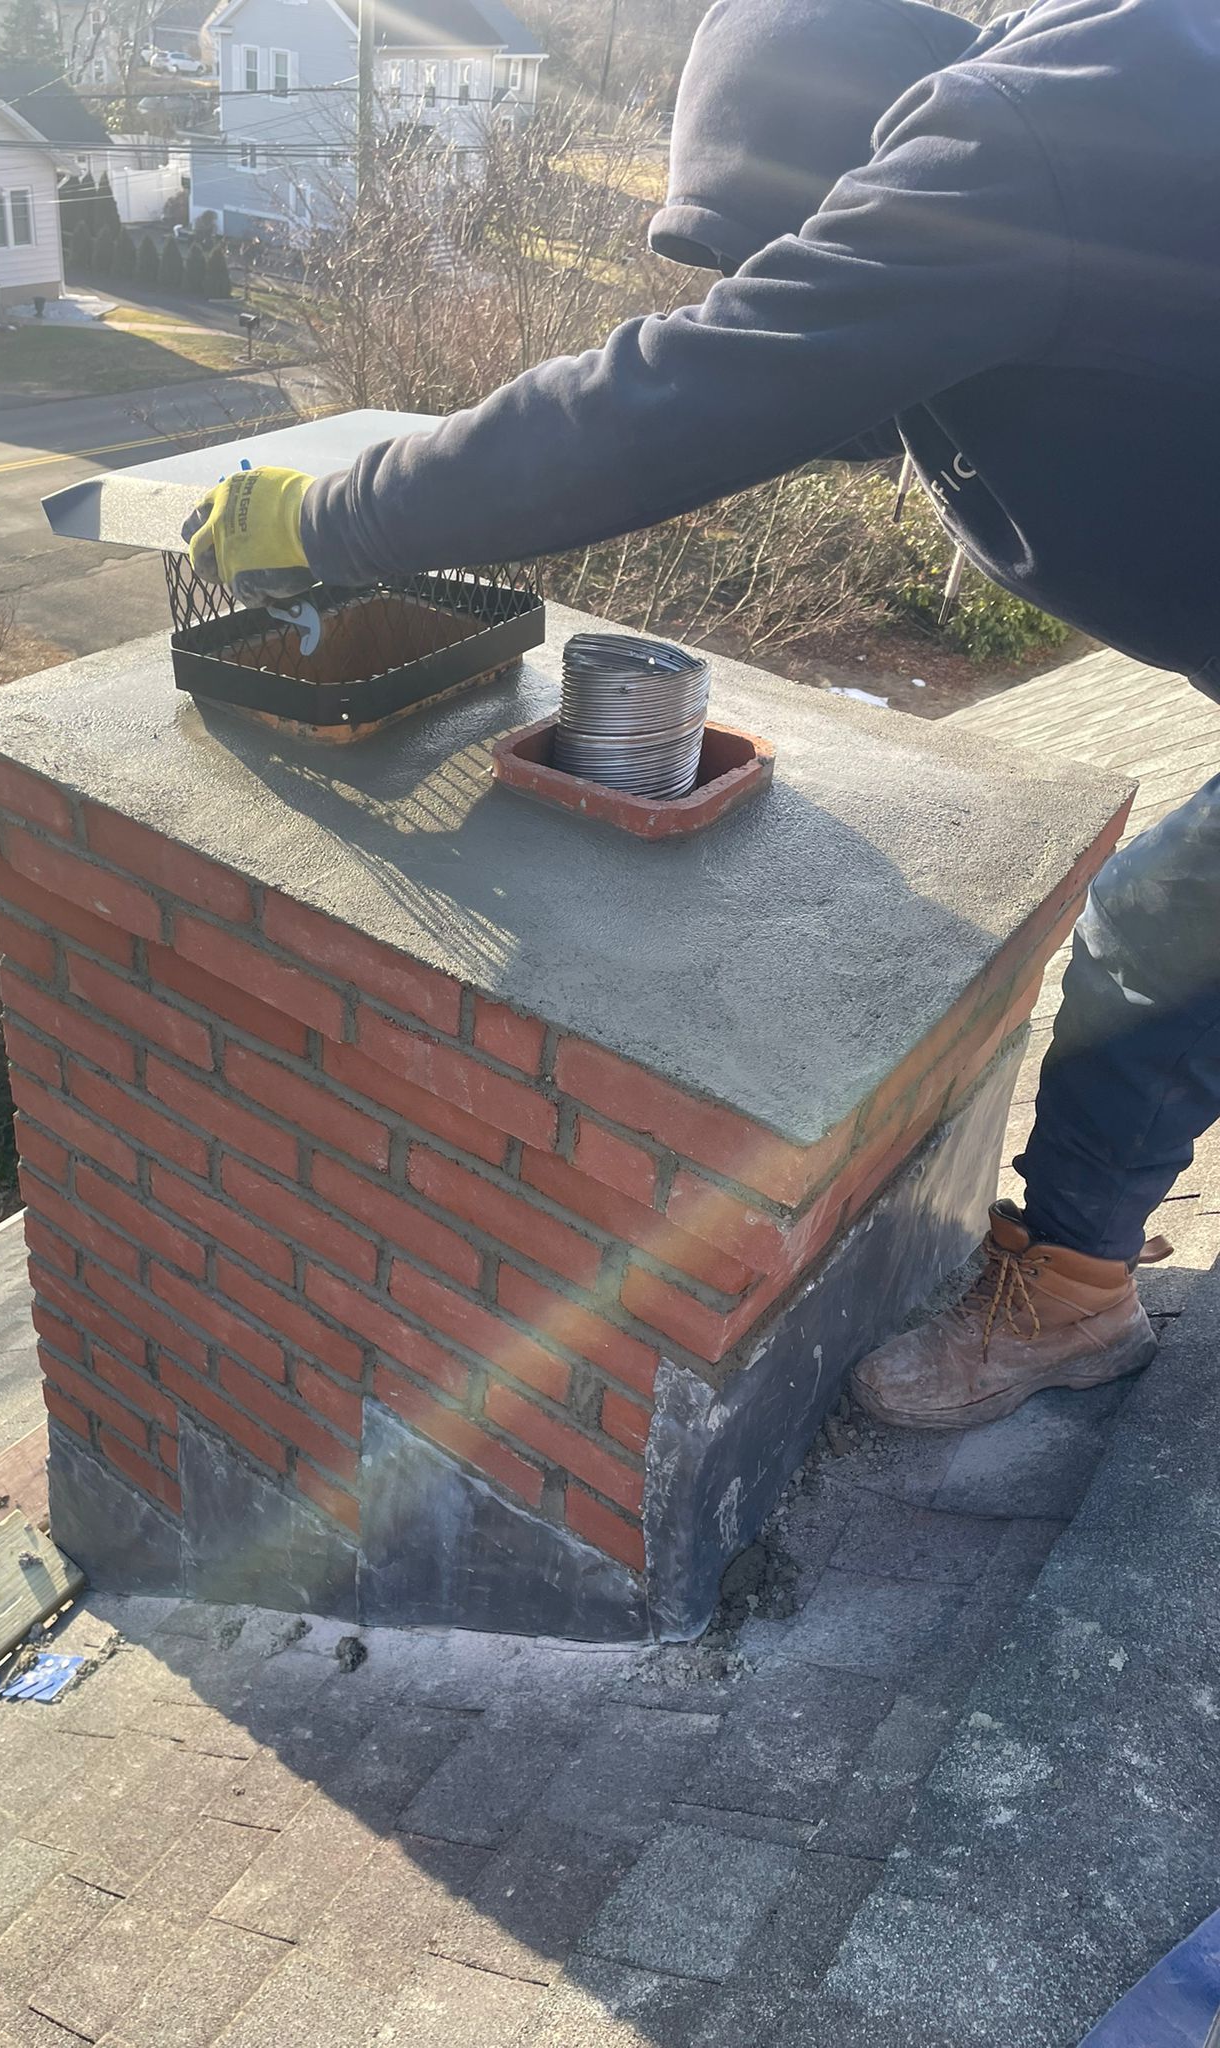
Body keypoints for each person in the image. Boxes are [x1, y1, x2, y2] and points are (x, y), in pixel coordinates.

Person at [184, 0, 1220, 1431]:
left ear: (857, 174)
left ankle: (1071, 1293)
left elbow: (689, 395)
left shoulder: (1017, 143)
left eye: (776, 254)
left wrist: (333, 519)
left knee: (1160, 941)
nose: (763, 286)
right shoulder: (1097, 124)